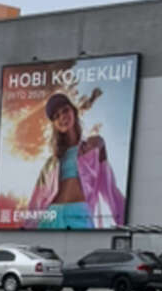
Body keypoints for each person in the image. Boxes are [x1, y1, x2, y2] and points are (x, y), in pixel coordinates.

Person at [29, 90, 127, 229]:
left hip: (79, 214)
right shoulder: (52, 162)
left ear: (74, 111)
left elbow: (109, 186)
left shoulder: (94, 147)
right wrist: (27, 227)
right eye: (56, 116)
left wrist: (127, 220)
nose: (62, 117)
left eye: (65, 110)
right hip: (51, 216)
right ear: (55, 125)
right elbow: (37, 198)